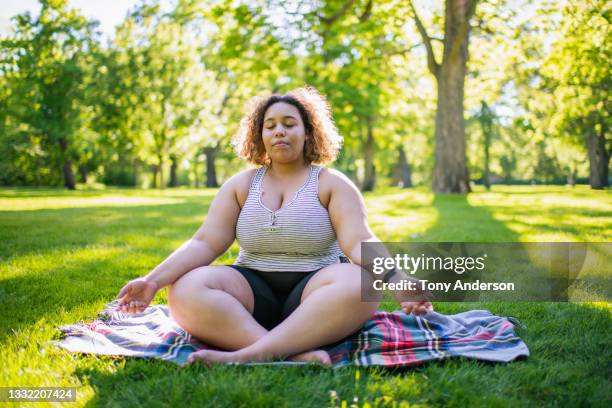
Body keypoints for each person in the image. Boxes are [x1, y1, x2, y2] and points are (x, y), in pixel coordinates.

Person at [115, 86, 433, 366]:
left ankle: (249, 355)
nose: (279, 131)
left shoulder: (331, 184)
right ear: (260, 136)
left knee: (360, 284)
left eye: (289, 124)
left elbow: (359, 240)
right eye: (270, 126)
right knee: (184, 288)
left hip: (316, 295)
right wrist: (153, 281)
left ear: (308, 132)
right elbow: (205, 243)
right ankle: (291, 354)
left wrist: (396, 278)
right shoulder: (240, 185)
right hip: (251, 295)